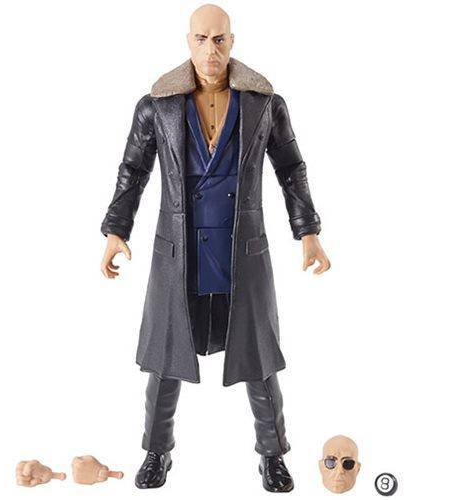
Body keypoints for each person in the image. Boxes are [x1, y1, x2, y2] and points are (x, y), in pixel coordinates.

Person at [100, 3, 330, 492]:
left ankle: (272, 456)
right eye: (201, 38)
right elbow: (132, 170)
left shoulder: (264, 104)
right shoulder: (156, 105)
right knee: (165, 360)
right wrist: (117, 230)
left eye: (219, 39)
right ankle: (156, 452)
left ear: (232, 41)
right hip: (178, 253)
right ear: (189, 41)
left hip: (241, 252)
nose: (211, 49)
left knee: (258, 359)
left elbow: (291, 168)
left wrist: (307, 230)